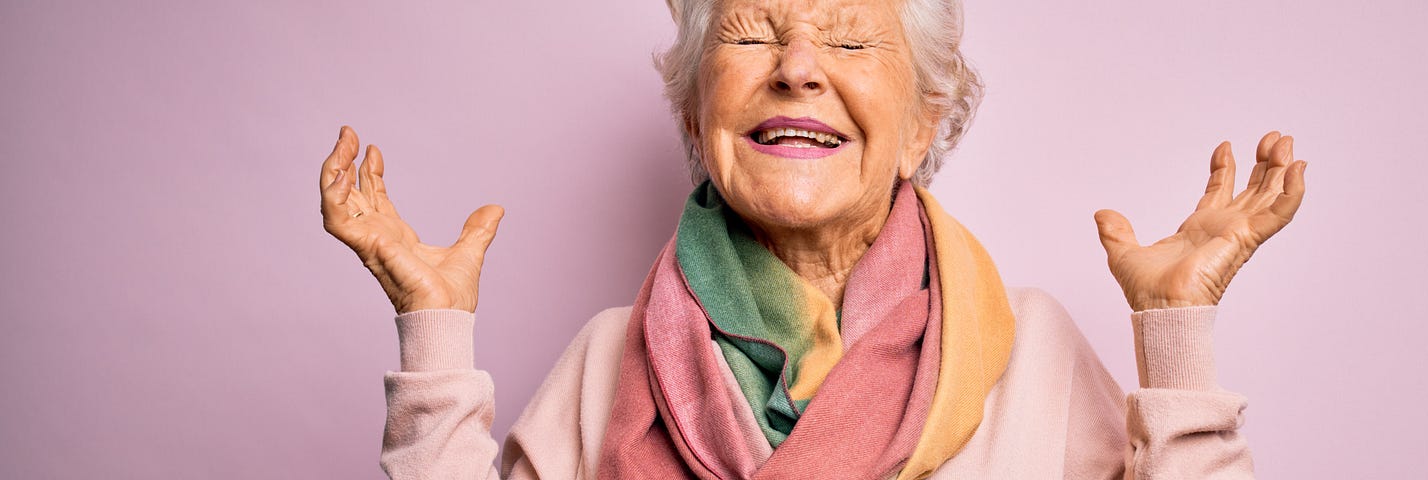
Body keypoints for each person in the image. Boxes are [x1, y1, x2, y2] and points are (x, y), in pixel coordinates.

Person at [318, 0, 1308, 478]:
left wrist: (1176, 329)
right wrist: (432, 326)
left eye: (846, 38)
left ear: (922, 122)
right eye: (751, 33)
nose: (796, 67)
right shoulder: (603, 362)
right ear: (699, 110)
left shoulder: (1033, 355)